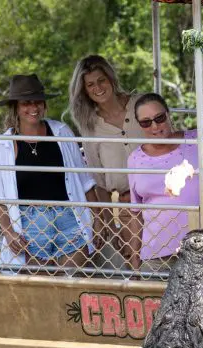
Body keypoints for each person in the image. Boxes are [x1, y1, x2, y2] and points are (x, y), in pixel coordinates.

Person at [0, 74, 99, 272]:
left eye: (38, 102)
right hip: (29, 225)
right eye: (26, 103)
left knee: (68, 286)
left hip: (69, 219)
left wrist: (98, 219)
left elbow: (85, 182)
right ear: (15, 106)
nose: (34, 108)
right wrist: (8, 233)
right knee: (39, 288)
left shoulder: (61, 132)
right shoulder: (3, 145)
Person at [127, 93, 203, 274]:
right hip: (155, 257)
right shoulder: (134, 159)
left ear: (168, 114)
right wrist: (135, 262)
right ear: (139, 124)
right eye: (146, 122)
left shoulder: (199, 142)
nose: (155, 126)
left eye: (159, 118)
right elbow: (135, 213)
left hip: (202, 251)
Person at [69, 55, 145, 264]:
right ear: (84, 90)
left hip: (163, 201)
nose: (98, 88)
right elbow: (99, 180)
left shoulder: (141, 104)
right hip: (128, 206)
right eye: (90, 84)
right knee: (137, 268)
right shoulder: (89, 126)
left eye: (101, 80)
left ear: (111, 78)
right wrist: (111, 226)